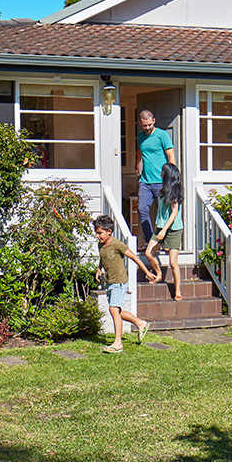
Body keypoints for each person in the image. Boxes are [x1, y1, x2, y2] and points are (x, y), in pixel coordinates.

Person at [94, 215, 154, 353]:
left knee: (113, 310)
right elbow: (103, 258)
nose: (98, 236)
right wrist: (99, 268)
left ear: (109, 232)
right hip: (110, 282)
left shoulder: (117, 244)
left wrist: (146, 271)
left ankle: (118, 343)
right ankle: (141, 323)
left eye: (100, 233)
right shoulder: (101, 245)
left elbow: (134, 257)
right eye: (96, 233)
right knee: (118, 312)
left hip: (119, 282)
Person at [144, 163, 184, 300]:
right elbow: (161, 213)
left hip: (173, 229)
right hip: (161, 227)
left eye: (162, 172)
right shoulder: (162, 190)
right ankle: (159, 273)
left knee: (173, 262)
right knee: (148, 253)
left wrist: (164, 230)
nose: (160, 174)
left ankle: (177, 290)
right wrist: (158, 229)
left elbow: (174, 213)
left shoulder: (175, 191)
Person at [136, 109, 176, 248]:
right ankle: (148, 239)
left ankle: (165, 242)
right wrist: (137, 164)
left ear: (153, 121)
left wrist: (172, 178)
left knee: (164, 212)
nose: (147, 128)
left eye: (149, 125)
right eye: (144, 125)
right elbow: (140, 151)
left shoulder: (162, 135)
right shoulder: (141, 137)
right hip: (145, 181)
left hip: (161, 181)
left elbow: (171, 156)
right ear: (140, 123)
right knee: (142, 209)